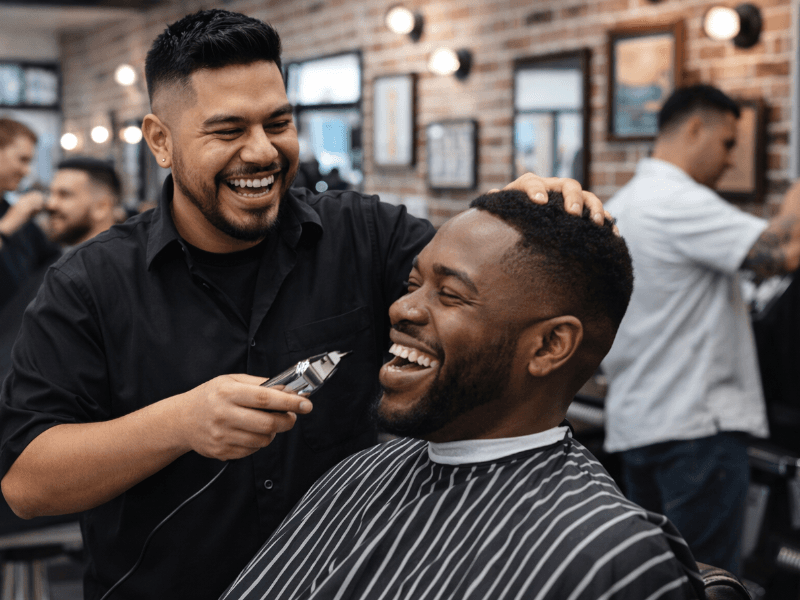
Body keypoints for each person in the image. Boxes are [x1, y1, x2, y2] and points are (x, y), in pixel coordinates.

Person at [0, 10, 607, 599]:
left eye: (278, 122)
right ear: (161, 140)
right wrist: (181, 422)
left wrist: (513, 220)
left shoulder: (366, 235)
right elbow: (28, 484)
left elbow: (465, 293)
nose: (263, 152)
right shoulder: (88, 283)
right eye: (228, 130)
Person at [221, 189, 704, 600]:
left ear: (550, 346)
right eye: (413, 283)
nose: (402, 308)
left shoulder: (611, 556)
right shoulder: (357, 474)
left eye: (449, 295)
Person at [602, 84, 800, 575]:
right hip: (694, 431)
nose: (731, 160)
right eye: (728, 143)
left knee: (657, 576)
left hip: (640, 422)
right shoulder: (675, 200)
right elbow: (778, 255)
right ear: (695, 127)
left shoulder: (626, 202)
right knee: (706, 581)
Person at [0, 156, 121, 379]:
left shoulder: (119, 275)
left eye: (64, 195)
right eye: (51, 193)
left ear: (102, 206)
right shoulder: (49, 262)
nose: (50, 204)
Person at [0, 117, 60, 309]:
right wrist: (10, 223)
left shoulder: (21, 220)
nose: (27, 171)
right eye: (22, 160)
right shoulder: (15, 217)